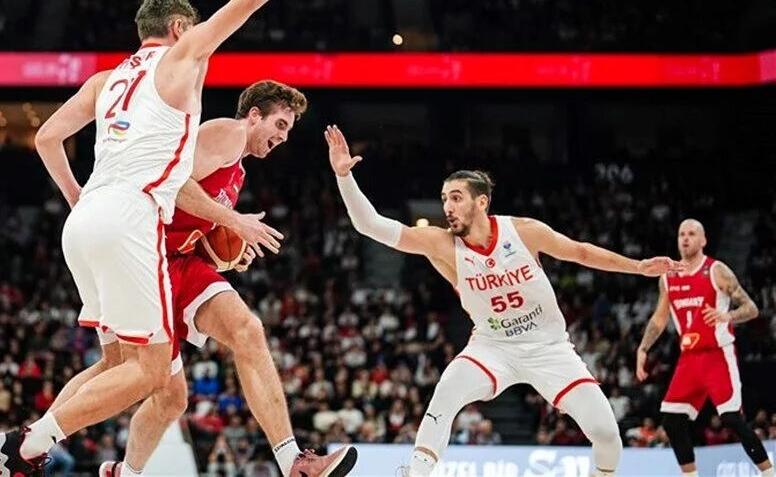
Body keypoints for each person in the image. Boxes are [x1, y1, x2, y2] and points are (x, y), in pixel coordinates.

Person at [0, 0, 322, 476]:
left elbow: (47, 137)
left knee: (128, 367)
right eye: (191, 28)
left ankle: (49, 450)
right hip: (131, 218)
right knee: (149, 373)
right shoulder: (180, 59)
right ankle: (26, 443)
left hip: (87, 217)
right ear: (177, 26)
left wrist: (77, 198)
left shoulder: (106, 80)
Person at [323, 125, 682, 477]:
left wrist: (638, 267)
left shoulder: (524, 231)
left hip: (549, 349)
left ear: (482, 201)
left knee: (607, 435)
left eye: (456, 197)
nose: (447, 206)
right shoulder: (442, 243)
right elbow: (370, 225)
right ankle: (415, 473)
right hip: (492, 347)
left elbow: (581, 253)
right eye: (445, 198)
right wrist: (344, 177)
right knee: (445, 394)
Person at [101, 81, 356, 476]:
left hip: (179, 260)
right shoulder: (226, 133)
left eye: (288, 131)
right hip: (146, 258)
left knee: (246, 332)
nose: (283, 138)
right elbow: (173, 183)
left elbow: (199, 229)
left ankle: (293, 462)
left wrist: (229, 254)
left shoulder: (237, 168)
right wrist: (234, 221)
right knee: (151, 390)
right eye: (281, 125)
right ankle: (39, 440)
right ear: (254, 115)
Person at [635, 219, 772, 477]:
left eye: (691, 234)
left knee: (732, 418)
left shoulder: (717, 270)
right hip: (689, 359)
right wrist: (643, 348)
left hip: (717, 354)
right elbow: (659, 318)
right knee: (672, 421)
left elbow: (751, 308)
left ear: (703, 240)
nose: (685, 238)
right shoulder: (668, 277)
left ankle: (769, 472)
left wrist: (727, 316)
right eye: (681, 234)